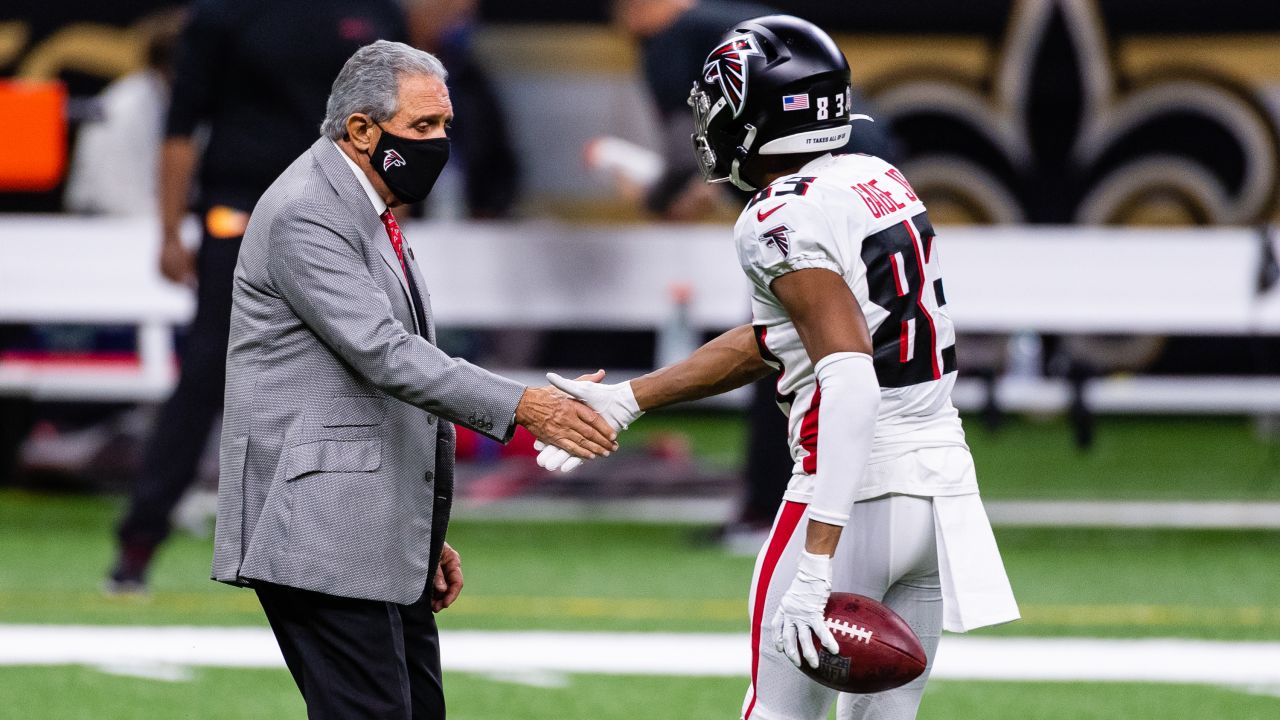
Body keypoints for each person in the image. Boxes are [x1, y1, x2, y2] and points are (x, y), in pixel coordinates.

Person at [538, 15, 1018, 720]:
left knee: (779, 712)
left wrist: (818, 555)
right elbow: (778, 337)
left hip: (853, 495)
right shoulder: (875, 177)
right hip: (938, 489)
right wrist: (633, 399)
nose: (711, 122)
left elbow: (849, 376)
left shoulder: (777, 217)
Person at [212, 40, 617, 719]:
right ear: (362, 129)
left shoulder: (362, 205)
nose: (438, 143)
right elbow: (386, 354)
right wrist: (526, 405)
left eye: (444, 126)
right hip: (318, 531)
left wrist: (413, 533)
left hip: (360, 525)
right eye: (423, 126)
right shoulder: (309, 211)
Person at [107, 0, 409, 591]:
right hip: (242, 219)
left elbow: (402, 122)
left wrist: (393, 213)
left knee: (369, 377)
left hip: (350, 220)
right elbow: (182, 123)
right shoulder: (224, 14)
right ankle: (139, 539)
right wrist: (170, 231)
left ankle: (366, 548)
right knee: (207, 375)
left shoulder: (376, 12)